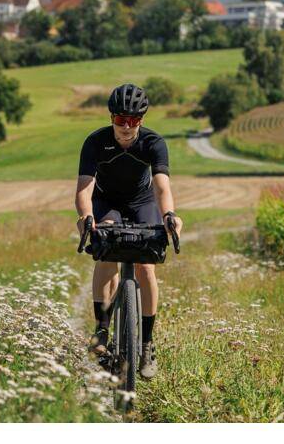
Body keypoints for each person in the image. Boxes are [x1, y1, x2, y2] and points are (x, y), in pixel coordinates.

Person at [74, 83, 183, 380]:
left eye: (133, 120)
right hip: (106, 201)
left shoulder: (153, 142)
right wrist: (85, 217)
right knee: (106, 250)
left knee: (146, 266)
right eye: (120, 120)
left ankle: (147, 344)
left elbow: (162, 187)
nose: (126, 126)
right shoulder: (95, 142)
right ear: (111, 118)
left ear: (142, 120)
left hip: (141, 202)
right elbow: (84, 189)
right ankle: (101, 329)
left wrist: (170, 215)